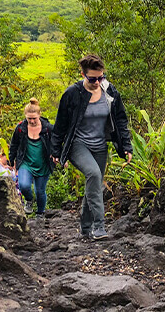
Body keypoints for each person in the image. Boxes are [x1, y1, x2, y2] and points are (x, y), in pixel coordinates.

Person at [52, 54, 133, 240]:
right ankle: (99, 226)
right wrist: (55, 150)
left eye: (101, 77)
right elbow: (61, 124)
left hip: (100, 145)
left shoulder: (109, 91)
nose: (97, 82)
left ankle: (85, 228)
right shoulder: (72, 94)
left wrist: (126, 146)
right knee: (94, 175)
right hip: (77, 144)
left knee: (94, 183)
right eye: (92, 79)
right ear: (83, 74)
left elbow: (120, 120)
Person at [8, 98, 54, 217]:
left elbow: (57, 143)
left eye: (34, 118)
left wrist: (59, 156)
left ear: (39, 115)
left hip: (43, 163)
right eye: (29, 118)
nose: (32, 121)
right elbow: (14, 144)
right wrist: (11, 159)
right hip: (26, 162)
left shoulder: (48, 128)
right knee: (24, 185)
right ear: (25, 116)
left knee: (40, 191)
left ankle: (40, 214)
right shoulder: (20, 128)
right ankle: (29, 200)